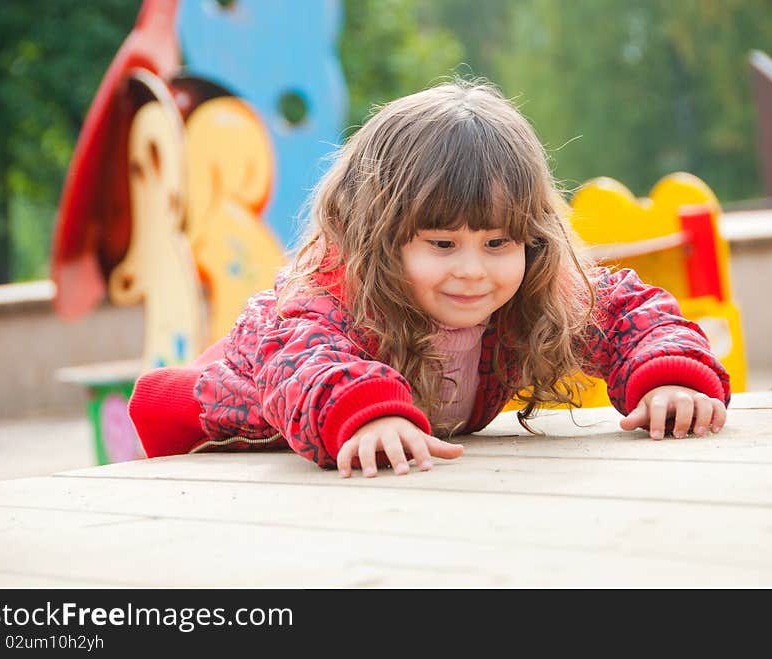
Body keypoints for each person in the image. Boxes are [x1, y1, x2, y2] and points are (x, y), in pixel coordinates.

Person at [128, 79, 730, 479]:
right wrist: (369, 415)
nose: (472, 270)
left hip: (391, 406)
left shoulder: (537, 289)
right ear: (376, 237)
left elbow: (629, 311)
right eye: (441, 244)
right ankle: (178, 395)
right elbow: (308, 363)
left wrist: (668, 378)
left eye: (498, 243)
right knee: (238, 392)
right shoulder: (325, 301)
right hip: (258, 385)